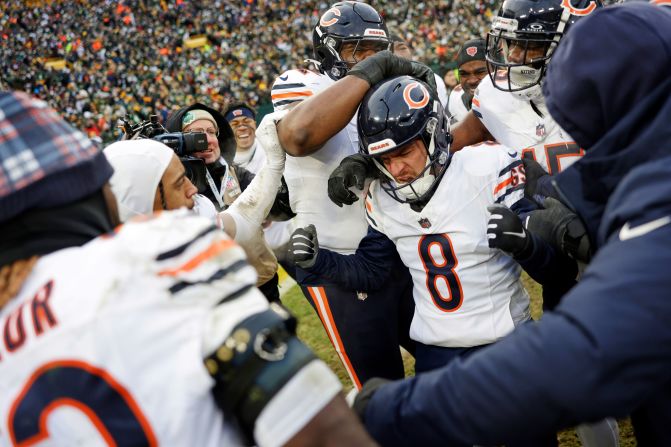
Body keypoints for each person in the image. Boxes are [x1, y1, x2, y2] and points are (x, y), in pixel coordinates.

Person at [351, 4, 671, 446]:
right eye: (512, 43)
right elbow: (446, 144)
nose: (515, 56)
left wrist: (400, 410)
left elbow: (581, 358)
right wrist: (381, 160)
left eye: (530, 45)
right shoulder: (497, 102)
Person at [0, 91, 374, 446]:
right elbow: (310, 420)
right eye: (181, 184)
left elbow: (237, 220)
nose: (194, 193)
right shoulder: (168, 251)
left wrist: (273, 164)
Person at [290, 75, 544, 376]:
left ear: (435, 135)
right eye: (384, 159)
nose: (396, 170)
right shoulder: (382, 197)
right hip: (435, 354)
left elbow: (556, 269)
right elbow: (372, 270)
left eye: (404, 152)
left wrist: (528, 245)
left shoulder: (488, 168)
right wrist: (320, 261)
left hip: (503, 340)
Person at [272, 1, 417, 390]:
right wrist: (370, 75)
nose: (369, 60)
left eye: (375, 51)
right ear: (327, 50)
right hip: (337, 258)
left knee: (440, 351)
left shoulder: (384, 85)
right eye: (357, 51)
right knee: (380, 384)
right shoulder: (302, 81)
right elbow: (301, 137)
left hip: (395, 246)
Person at [165, 103, 282, 302]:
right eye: (196, 134)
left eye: (211, 132)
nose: (208, 140)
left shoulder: (235, 172)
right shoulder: (174, 191)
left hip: (263, 283)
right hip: (222, 297)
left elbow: (280, 208)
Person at [390, 33, 449, 107]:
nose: (397, 55)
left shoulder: (435, 79)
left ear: (411, 51)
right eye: (389, 50)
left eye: (402, 48)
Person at [446, 38, 487, 123]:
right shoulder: (456, 100)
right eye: (464, 74)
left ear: (494, 69)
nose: (472, 80)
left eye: (480, 72)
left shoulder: (511, 97)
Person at [225, 102, 266, 173]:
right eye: (235, 124)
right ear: (226, 131)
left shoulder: (270, 148)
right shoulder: (221, 161)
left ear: (255, 124)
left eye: (247, 122)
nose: (242, 128)